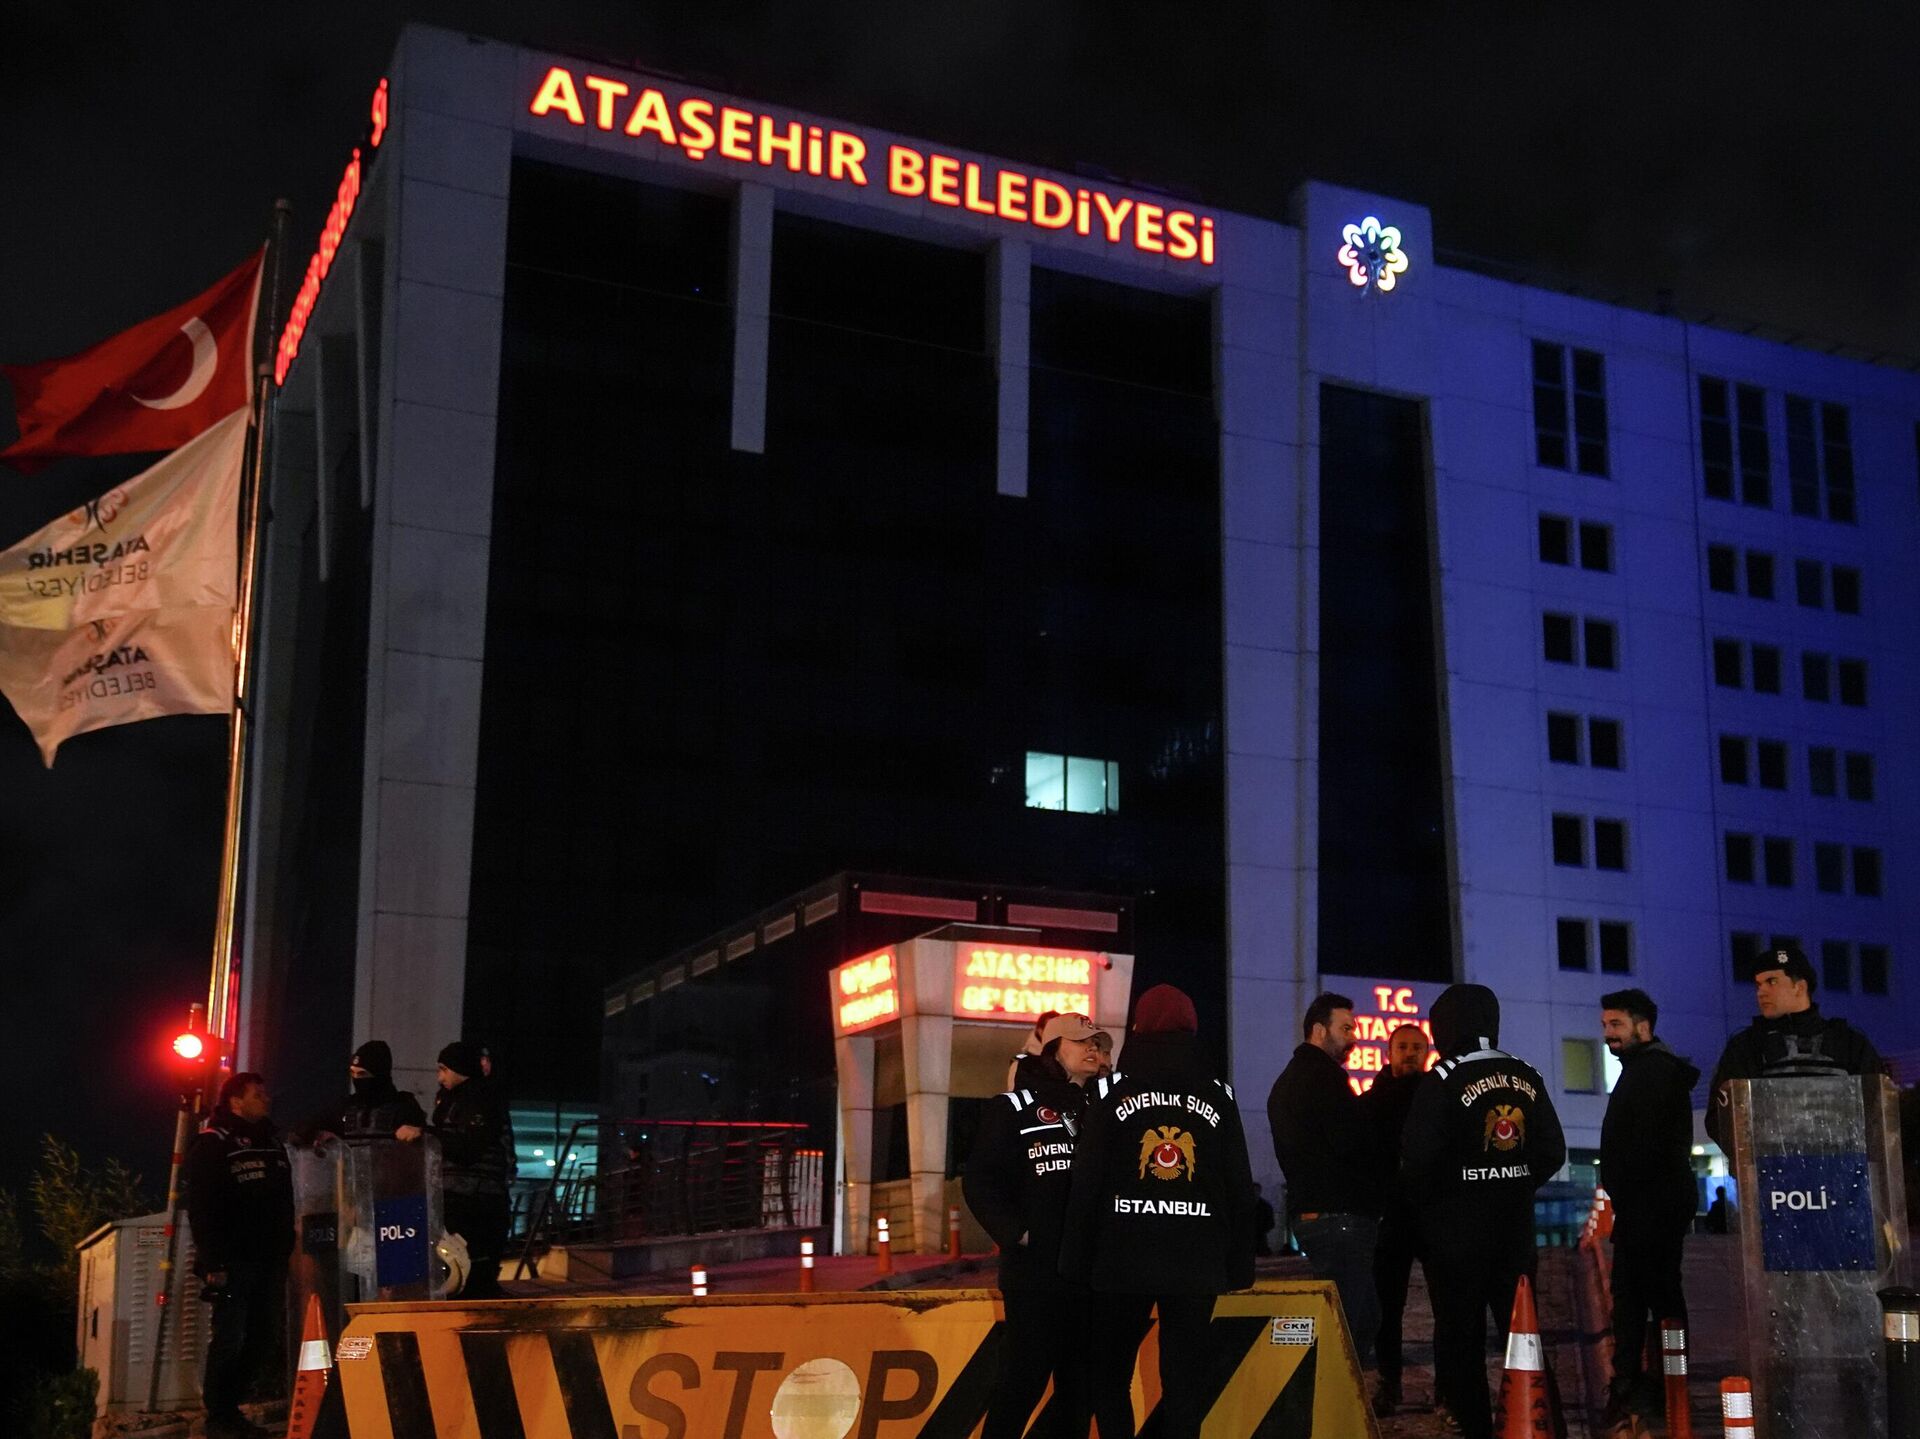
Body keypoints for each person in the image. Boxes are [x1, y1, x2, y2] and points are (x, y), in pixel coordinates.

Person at [1062, 984, 1256, 1439]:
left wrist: (1075, 1260)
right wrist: (1238, 1265)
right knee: (1185, 1382)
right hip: (1195, 1261)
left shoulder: (1110, 1091)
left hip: (1121, 1259)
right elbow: (1237, 1183)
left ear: (1138, 1028)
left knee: (1110, 1374)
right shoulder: (1220, 1095)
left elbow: (1088, 1180)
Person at [1401, 984, 1566, 1439]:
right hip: (1514, 1234)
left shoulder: (1442, 1078)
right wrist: (1514, 1182)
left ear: (1444, 1027)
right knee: (1525, 1333)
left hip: (1457, 1238)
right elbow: (1553, 1150)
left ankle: (1475, 1427)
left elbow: (1418, 1160)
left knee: (1462, 1340)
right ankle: (1546, 1424)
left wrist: (1442, 1201)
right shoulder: (1526, 1074)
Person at [964, 1012, 1108, 1438]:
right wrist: (1018, 1234)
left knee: (1079, 1391)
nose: (1093, 1049)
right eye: (1082, 1042)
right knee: (1021, 1383)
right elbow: (980, 1180)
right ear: (1053, 1049)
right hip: (1035, 1276)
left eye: (1098, 1044)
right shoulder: (1014, 1107)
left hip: (1090, 1276)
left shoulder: (1102, 1111)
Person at [1598, 988, 1700, 1428]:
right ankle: (1652, 1386)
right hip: (1646, 1205)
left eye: (1616, 1025)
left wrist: (1630, 1192)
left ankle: (1651, 1389)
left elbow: (1645, 1146)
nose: (1608, 1034)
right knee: (1642, 1297)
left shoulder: (1652, 1072)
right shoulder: (1646, 1069)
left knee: (1647, 1298)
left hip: (1651, 1207)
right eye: (1605, 1025)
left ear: (1643, 1026)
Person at [1267, 991, 1379, 1367]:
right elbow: (1353, 1143)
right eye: (1345, 1028)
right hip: (1340, 1217)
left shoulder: (1288, 1081)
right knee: (1348, 1328)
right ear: (1319, 1030)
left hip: (1314, 1214)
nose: (1353, 1038)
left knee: (1353, 1318)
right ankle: (1332, 1397)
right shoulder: (1324, 1079)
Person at [186, 1072, 294, 1439]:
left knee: (264, 1336)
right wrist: (213, 1261)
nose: (266, 1099)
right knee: (229, 1336)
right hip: (233, 1261)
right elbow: (202, 1208)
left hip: (269, 1259)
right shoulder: (214, 1142)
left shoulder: (272, 1142)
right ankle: (219, 1416)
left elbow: (284, 1200)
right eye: (257, 1094)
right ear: (235, 1101)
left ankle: (231, 1409)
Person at [1705, 945, 1882, 1153]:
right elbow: (1721, 1119)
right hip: (1771, 1169)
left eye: (1772, 982)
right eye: (1758, 984)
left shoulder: (1849, 1043)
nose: (1761, 992)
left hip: (1843, 1165)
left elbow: (1878, 1109)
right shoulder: (1745, 1047)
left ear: (1800, 987)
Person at [402, 1041, 514, 1298]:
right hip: (458, 1196)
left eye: (444, 1069)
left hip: (476, 1200)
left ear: (460, 1068)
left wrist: (425, 1134)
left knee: (471, 1274)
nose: (439, 1078)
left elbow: (468, 1148)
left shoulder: (482, 1099)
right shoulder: (452, 1099)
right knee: (459, 1272)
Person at [1359, 1021, 1430, 1416]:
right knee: (1387, 1306)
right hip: (1390, 1216)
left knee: (1449, 1304)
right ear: (1389, 1052)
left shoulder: (1436, 1097)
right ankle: (1390, 1381)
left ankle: (1449, 1387)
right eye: (1402, 1046)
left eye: (1416, 1047)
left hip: (1431, 1214)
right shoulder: (1373, 1101)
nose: (1409, 1054)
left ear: (1427, 1053)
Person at [292, 1040, 426, 1144]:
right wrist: (313, 1134)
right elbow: (308, 1126)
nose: (356, 1079)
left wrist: (417, 1131)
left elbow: (428, 1140)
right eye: (353, 1073)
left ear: (380, 1076)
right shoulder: (346, 1107)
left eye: (362, 1074)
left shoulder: (403, 1107)